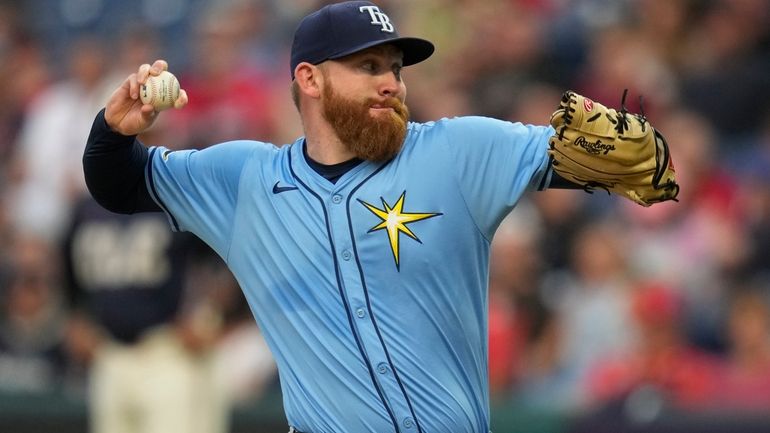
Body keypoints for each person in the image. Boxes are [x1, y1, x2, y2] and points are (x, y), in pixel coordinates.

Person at [82, 2, 675, 432]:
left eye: (396, 67)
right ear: (309, 79)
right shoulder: (243, 181)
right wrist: (113, 128)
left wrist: (632, 144)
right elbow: (117, 183)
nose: (391, 82)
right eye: (368, 66)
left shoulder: (458, 151)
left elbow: (637, 163)